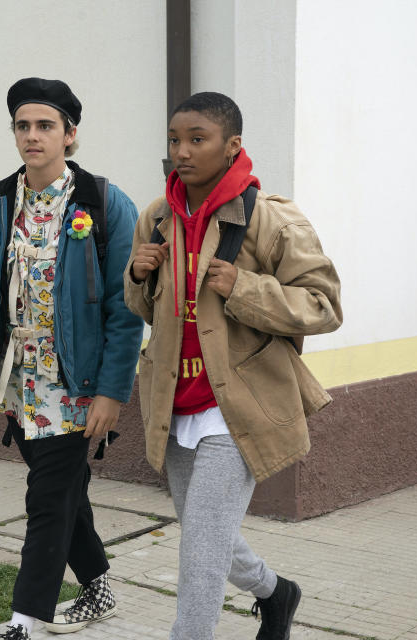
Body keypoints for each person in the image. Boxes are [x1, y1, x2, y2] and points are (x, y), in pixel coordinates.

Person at [123, 92, 343, 640]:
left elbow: (324, 304)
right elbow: (145, 309)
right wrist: (138, 276)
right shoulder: (156, 217)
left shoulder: (270, 218)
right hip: (173, 403)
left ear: (232, 145)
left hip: (238, 405)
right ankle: (275, 591)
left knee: (200, 547)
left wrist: (242, 287)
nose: (182, 151)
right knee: (206, 531)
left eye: (198, 139)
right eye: (175, 140)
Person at [0, 77, 144, 640]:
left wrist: (111, 391)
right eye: (23, 126)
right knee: (64, 488)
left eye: (45, 126)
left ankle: (24, 621)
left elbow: (126, 310)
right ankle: (99, 583)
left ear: (69, 135)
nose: (32, 136)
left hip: (76, 386)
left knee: (46, 500)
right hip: (17, 382)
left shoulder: (104, 204)